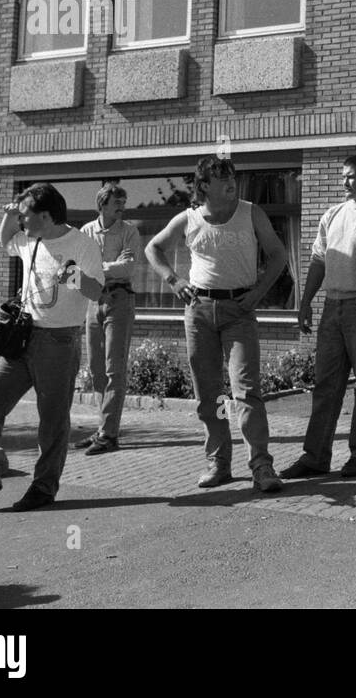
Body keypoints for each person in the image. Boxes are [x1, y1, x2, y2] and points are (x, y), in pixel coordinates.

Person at [0, 184, 104, 517]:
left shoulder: (83, 244)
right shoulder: (30, 239)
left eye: (26, 215)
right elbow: (6, 243)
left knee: (52, 421)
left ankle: (44, 487)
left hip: (59, 342)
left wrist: (74, 276)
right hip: (23, 339)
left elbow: (98, 292)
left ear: (45, 215)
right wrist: (8, 216)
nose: (22, 220)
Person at [145, 156, 288, 493]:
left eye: (232, 176)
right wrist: (172, 279)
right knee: (210, 396)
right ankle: (219, 463)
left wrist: (257, 295)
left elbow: (279, 256)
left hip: (240, 310)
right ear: (204, 185)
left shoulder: (251, 212)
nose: (231, 182)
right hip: (199, 310)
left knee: (246, 391)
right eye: (221, 177)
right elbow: (153, 248)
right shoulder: (188, 218)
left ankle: (262, 466)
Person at [281, 156, 356, 480]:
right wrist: (306, 301)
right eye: (343, 177)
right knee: (325, 386)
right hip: (332, 308)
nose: (344, 183)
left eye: (351, 177)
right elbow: (319, 261)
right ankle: (315, 457)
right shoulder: (333, 215)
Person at [75, 183, 143, 456]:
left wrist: (97, 269)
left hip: (120, 300)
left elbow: (128, 267)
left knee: (115, 368)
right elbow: (76, 268)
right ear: (102, 204)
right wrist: (106, 268)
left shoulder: (130, 231)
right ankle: (104, 428)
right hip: (93, 301)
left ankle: (109, 435)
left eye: (124, 203)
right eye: (117, 203)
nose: (122, 208)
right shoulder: (85, 232)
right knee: (96, 370)